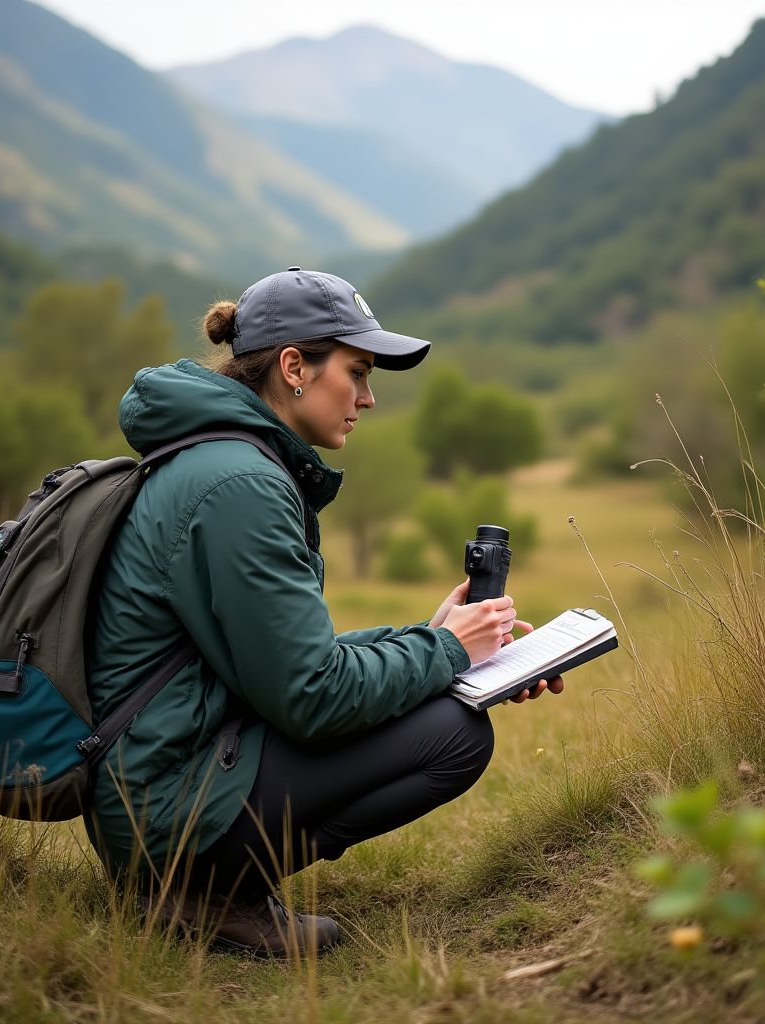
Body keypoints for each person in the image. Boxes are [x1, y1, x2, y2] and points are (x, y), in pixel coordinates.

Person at [84, 267, 564, 956]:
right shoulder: (240, 485)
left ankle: (206, 886)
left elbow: (282, 664)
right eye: (358, 373)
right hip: (160, 809)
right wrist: (448, 653)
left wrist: (433, 639)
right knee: (455, 735)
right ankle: (203, 894)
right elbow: (310, 697)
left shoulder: (219, 460)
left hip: (153, 784)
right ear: (292, 367)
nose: (368, 399)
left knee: (441, 706)